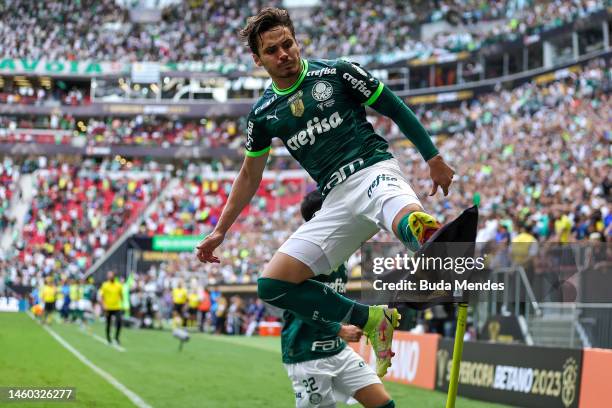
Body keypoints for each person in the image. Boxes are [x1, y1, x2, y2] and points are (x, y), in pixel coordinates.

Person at [196, 7, 454, 378]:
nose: (283, 53)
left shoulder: (338, 72)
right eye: (272, 50)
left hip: (372, 171)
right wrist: (221, 230)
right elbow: (250, 174)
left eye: (288, 43)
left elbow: (394, 107)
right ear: (257, 59)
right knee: (272, 284)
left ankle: (434, 252)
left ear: (297, 41)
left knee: (411, 220)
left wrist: (434, 158)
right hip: (334, 199)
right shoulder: (263, 114)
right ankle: (371, 319)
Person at [283, 190, 395, 408]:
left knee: (383, 404)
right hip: (307, 353)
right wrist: (338, 329)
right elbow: (293, 302)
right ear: (321, 216)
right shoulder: (301, 252)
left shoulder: (340, 248)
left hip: (337, 349)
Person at [100, 271, 123, 345]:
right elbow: (102, 296)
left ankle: (116, 337)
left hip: (116, 307)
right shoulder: (105, 285)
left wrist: (121, 302)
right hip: (108, 307)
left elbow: (121, 295)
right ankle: (108, 338)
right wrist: (104, 305)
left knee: (119, 322)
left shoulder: (118, 285)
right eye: (109, 275)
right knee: (108, 323)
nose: (110, 277)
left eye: (111, 275)